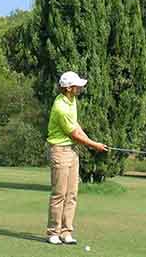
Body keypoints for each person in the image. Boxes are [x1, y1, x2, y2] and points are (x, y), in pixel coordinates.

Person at [46, 71, 108, 245]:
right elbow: (73, 134)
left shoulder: (72, 101)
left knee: (72, 194)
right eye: (77, 86)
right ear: (68, 88)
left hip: (72, 151)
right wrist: (93, 145)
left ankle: (66, 232)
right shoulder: (60, 107)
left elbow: (76, 126)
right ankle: (53, 232)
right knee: (59, 194)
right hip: (60, 150)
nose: (80, 88)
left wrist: (91, 140)